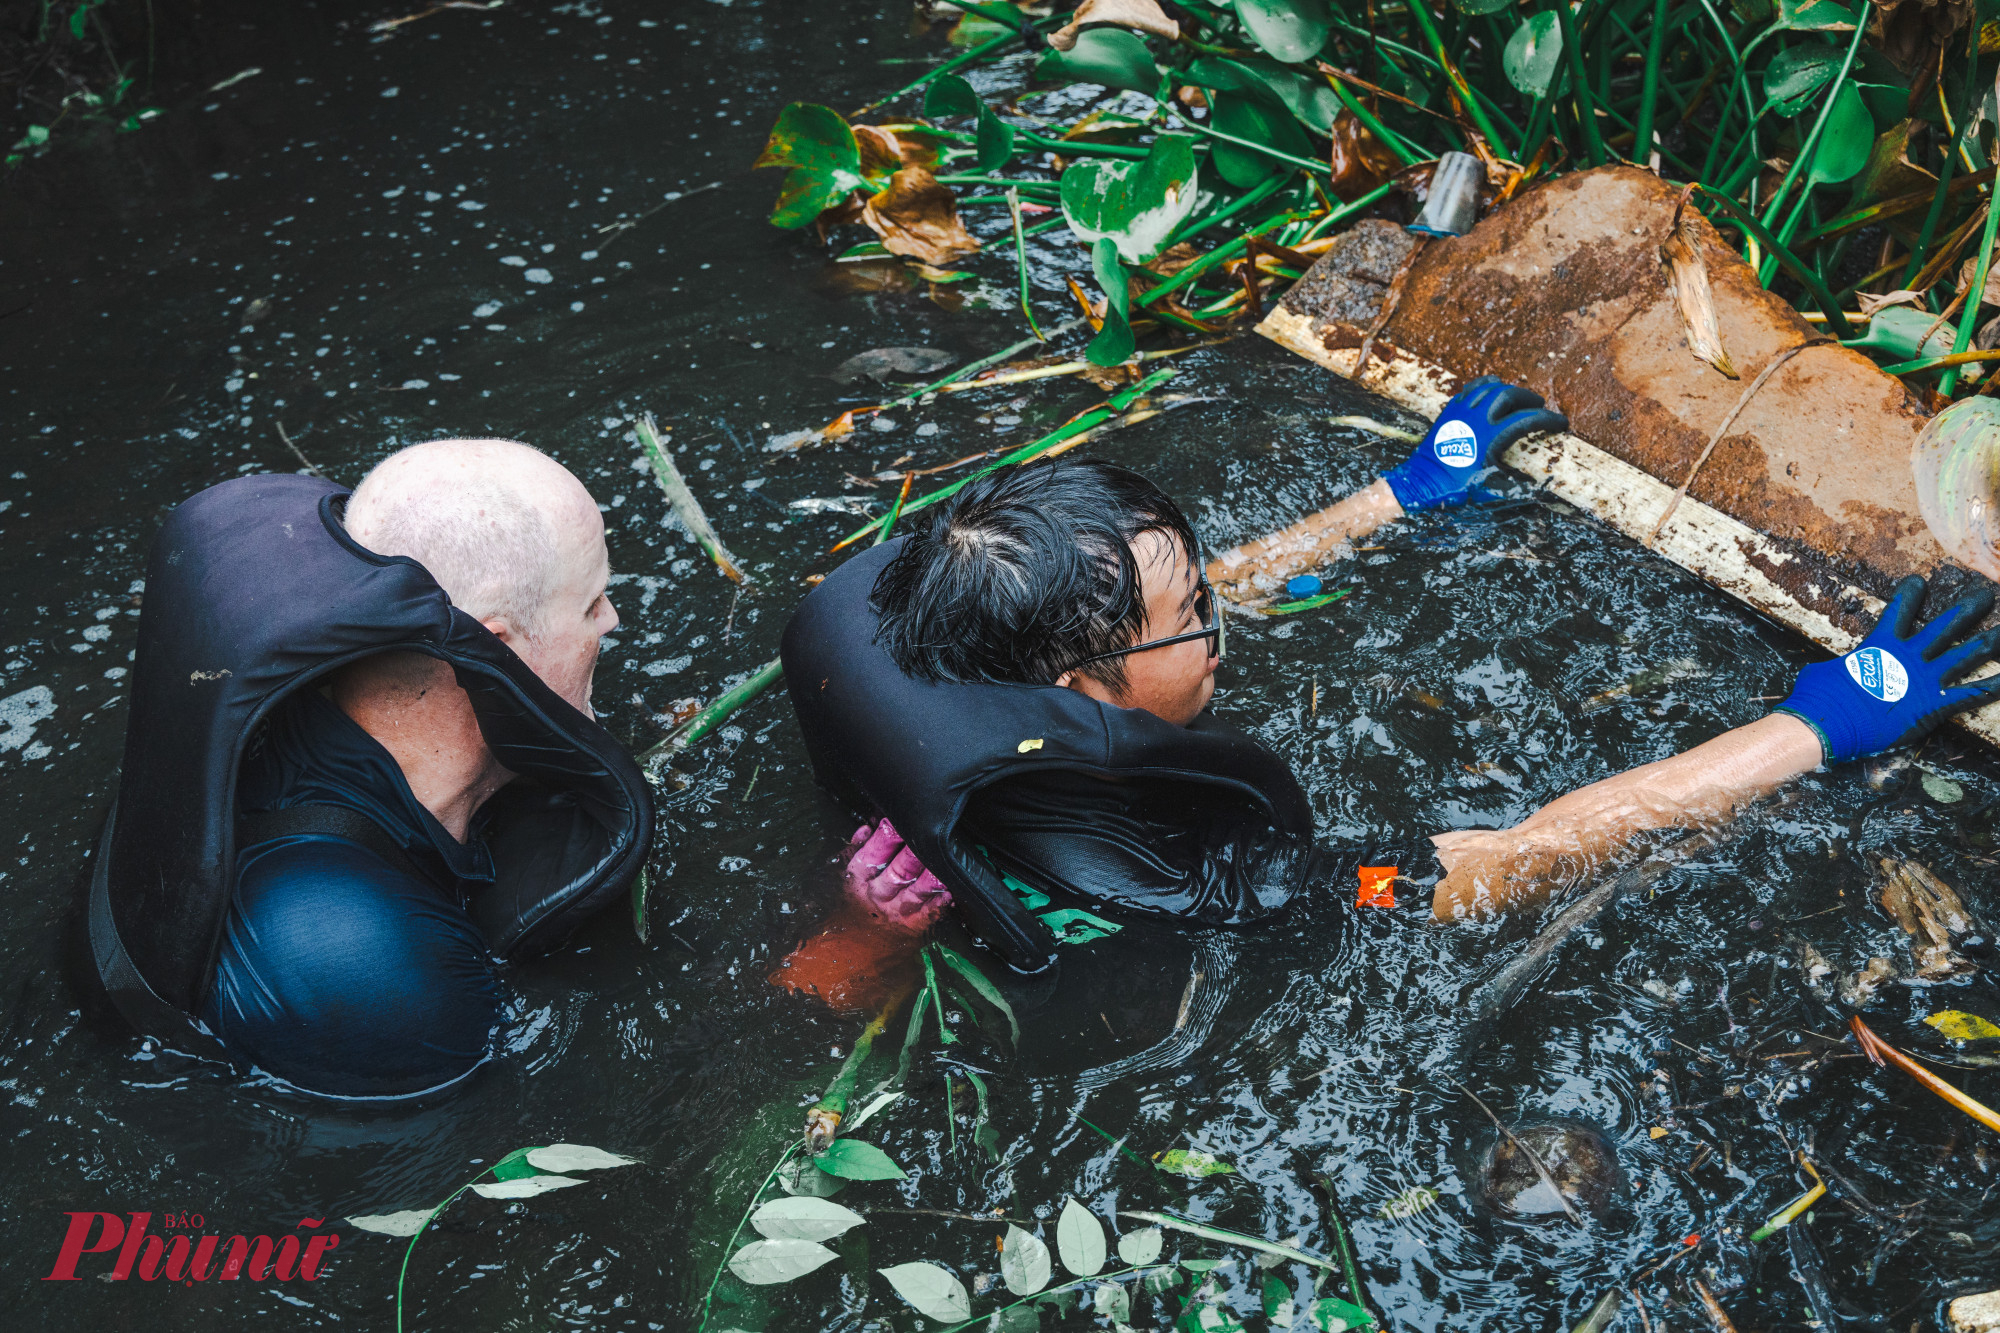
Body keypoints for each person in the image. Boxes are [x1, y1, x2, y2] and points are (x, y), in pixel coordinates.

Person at [782, 380, 2000, 970]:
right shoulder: (1220, 874)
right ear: (1087, 685)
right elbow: (1505, 857)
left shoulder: (941, 618)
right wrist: (1815, 723)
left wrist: (1399, 492)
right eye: (1196, 612)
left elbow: (1167, 596)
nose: (1221, 612)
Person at [87, 441, 652, 1098]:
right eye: (592, 604)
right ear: (498, 652)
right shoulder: (378, 974)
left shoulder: (280, 711)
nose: (612, 620)